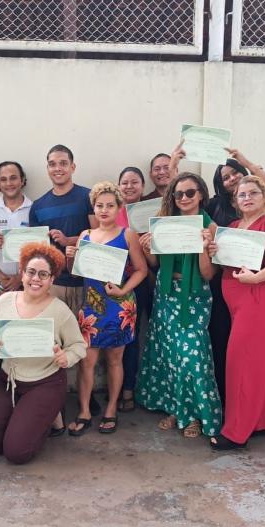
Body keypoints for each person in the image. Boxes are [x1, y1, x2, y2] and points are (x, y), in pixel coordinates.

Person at [169, 144, 265, 412]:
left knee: (246, 357)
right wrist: (174, 166)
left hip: (254, 291)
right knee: (225, 347)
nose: (232, 181)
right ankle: (232, 406)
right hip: (223, 289)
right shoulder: (219, 211)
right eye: (226, 178)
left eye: (236, 174)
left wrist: (246, 161)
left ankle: (243, 417)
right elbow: (185, 198)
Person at [0, 243, 87, 464]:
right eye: (31, 272)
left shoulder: (60, 311)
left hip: (45, 383)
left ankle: (50, 417)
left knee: (17, 452)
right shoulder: (5, 301)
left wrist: (66, 357)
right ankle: (26, 415)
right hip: (9, 381)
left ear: (51, 279)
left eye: (43, 274)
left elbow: (78, 345)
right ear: (22, 273)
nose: (36, 279)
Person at [136, 172, 222, 438]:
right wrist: (147, 248)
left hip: (194, 296)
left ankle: (195, 414)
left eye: (190, 193)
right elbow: (155, 264)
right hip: (166, 294)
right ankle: (176, 409)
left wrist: (203, 247)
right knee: (169, 354)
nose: (184, 198)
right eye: (178, 194)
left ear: (201, 194)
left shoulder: (210, 227)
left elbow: (208, 274)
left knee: (192, 356)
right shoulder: (165, 223)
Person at [206, 176, 265, 450]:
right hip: (237, 301)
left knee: (241, 365)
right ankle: (261, 422)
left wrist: (256, 278)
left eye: (253, 193)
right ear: (235, 200)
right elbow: (225, 264)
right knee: (257, 365)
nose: (247, 198)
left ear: (264, 197)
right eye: (242, 195)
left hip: (258, 299)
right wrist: (215, 251)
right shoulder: (233, 227)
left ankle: (236, 432)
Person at [65, 182, 147, 435]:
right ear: (94, 207)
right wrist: (70, 257)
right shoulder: (85, 235)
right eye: (99, 205)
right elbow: (75, 273)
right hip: (90, 305)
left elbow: (141, 270)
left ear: (119, 208)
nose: (104, 210)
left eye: (110, 205)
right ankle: (84, 411)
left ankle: (111, 408)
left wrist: (123, 290)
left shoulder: (127, 234)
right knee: (86, 362)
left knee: (114, 360)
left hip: (119, 306)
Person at [29, 144, 99, 419]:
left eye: (62, 163)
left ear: (73, 166)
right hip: (54, 286)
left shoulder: (88, 197)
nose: (57, 168)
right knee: (53, 343)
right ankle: (53, 402)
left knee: (85, 347)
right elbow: (35, 248)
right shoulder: (39, 206)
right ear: (47, 168)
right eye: (52, 163)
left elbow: (99, 234)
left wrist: (71, 240)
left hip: (86, 283)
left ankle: (86, 399)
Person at [0, 161, 33, 380]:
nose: (9, 183)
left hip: (27, 284)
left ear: (22, 180)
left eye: (13, 178)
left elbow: (39, 249)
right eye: (3, 179)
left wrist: (20, 278)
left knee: (23, 335)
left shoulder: (34, 208)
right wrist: (1, 277)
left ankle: (23, 382)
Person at [116, 166, 154, 412]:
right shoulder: (112, 211)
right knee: (124, 337)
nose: (129, 186)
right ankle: (121, 387)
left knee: (142, 335)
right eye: (125, 182)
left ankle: (134, 388)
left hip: (146, 282)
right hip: (118, 283)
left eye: (134, 182)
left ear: (143, 186)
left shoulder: (154, 211)